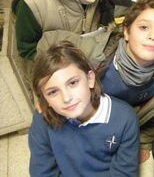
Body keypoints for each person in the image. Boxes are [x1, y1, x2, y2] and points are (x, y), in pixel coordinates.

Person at [28, 41, 139, 176]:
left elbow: (124, 173)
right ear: (45, 99)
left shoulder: (125, 118)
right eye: (53, 92)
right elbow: (42, 171)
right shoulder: (42, 119)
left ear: (90, 79)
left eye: (73, 83)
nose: (66, 98)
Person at [99, 0, 154, 176]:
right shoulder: (97, 61)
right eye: (144, 27)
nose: (153, 36)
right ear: (126, 32)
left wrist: (143, 142)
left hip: (130, 138)